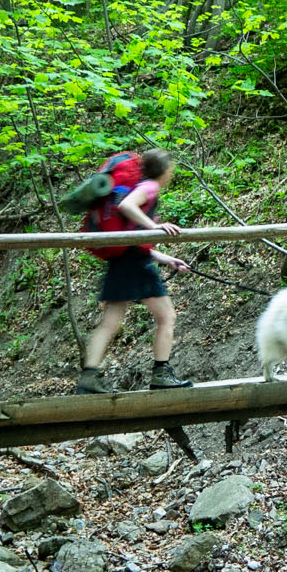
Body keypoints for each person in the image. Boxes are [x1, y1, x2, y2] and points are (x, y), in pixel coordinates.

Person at [77, 148, 194, 393]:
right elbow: (128, 207)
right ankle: (161, 374)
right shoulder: (149, 187)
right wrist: (156, 226)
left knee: (109, 323)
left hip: (124, 260)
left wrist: (167, 259)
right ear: (165, 171)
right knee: (167, 317)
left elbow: (134, 242)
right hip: (134, 263)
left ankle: (88, 378)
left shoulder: (140, 185)